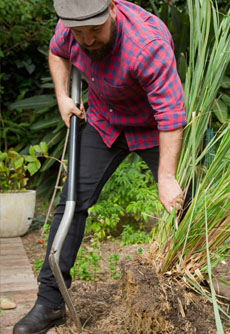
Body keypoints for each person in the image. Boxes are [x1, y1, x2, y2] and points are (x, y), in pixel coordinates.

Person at [13, 0, 187, 333]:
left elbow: (171, 115)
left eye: (96, 30)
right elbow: (57, 51)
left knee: (184, 200)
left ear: (110, 9)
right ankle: (49, 304)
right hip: (106, 121)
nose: (89, 40)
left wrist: (166, 177)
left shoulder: (146, 45)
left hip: (153, 127)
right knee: (70, 205)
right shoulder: (72, 25)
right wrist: (63, 96)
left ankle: (192, 285)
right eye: (80, 33)